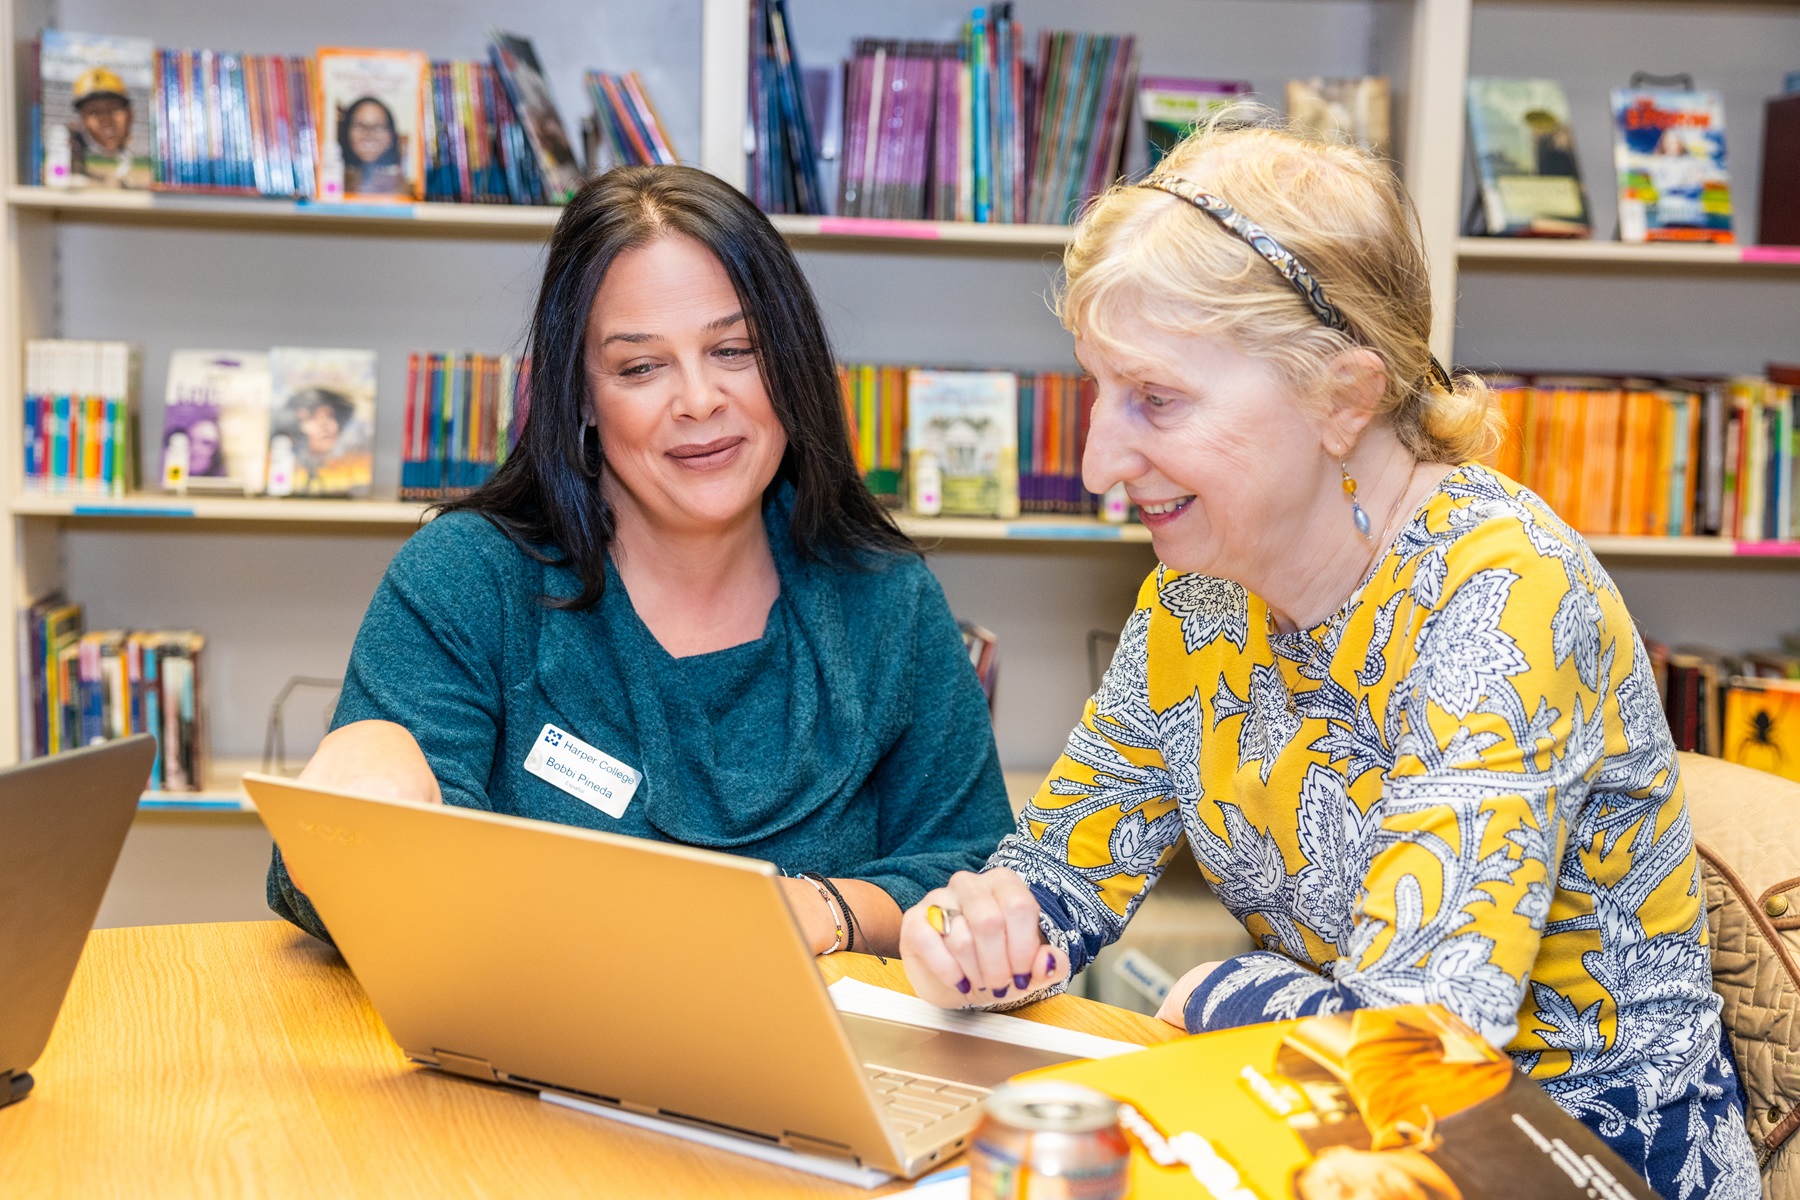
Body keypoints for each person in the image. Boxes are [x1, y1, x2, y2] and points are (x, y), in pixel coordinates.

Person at [898, 114, 1759, 1199]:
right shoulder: (1198, 590)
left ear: (1343, 397)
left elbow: (1415, 1050)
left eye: (1154, 397)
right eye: (1095, 390)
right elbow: (1067, 873)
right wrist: (977, 929)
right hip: (1319, 1132)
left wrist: (1230, 991)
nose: (1098, 460)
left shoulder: (1508, 603)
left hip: (1572, 1155)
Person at [268, 164, 1013, 959]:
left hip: (822, 1073)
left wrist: (824, 908)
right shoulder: (468, 579)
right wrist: (363, 792)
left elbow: (976, 876)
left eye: (734, 349)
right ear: (581, 396)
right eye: (640, 367)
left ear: (789, 364)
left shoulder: (887, 601)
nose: (698, 400)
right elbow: (346, 890)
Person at [338, 96, 405, 196]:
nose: (368, 134)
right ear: (347, 132)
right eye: (360, 125)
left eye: (378, 126)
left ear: (391, 135)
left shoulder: (404, 189)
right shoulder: (334, 183)